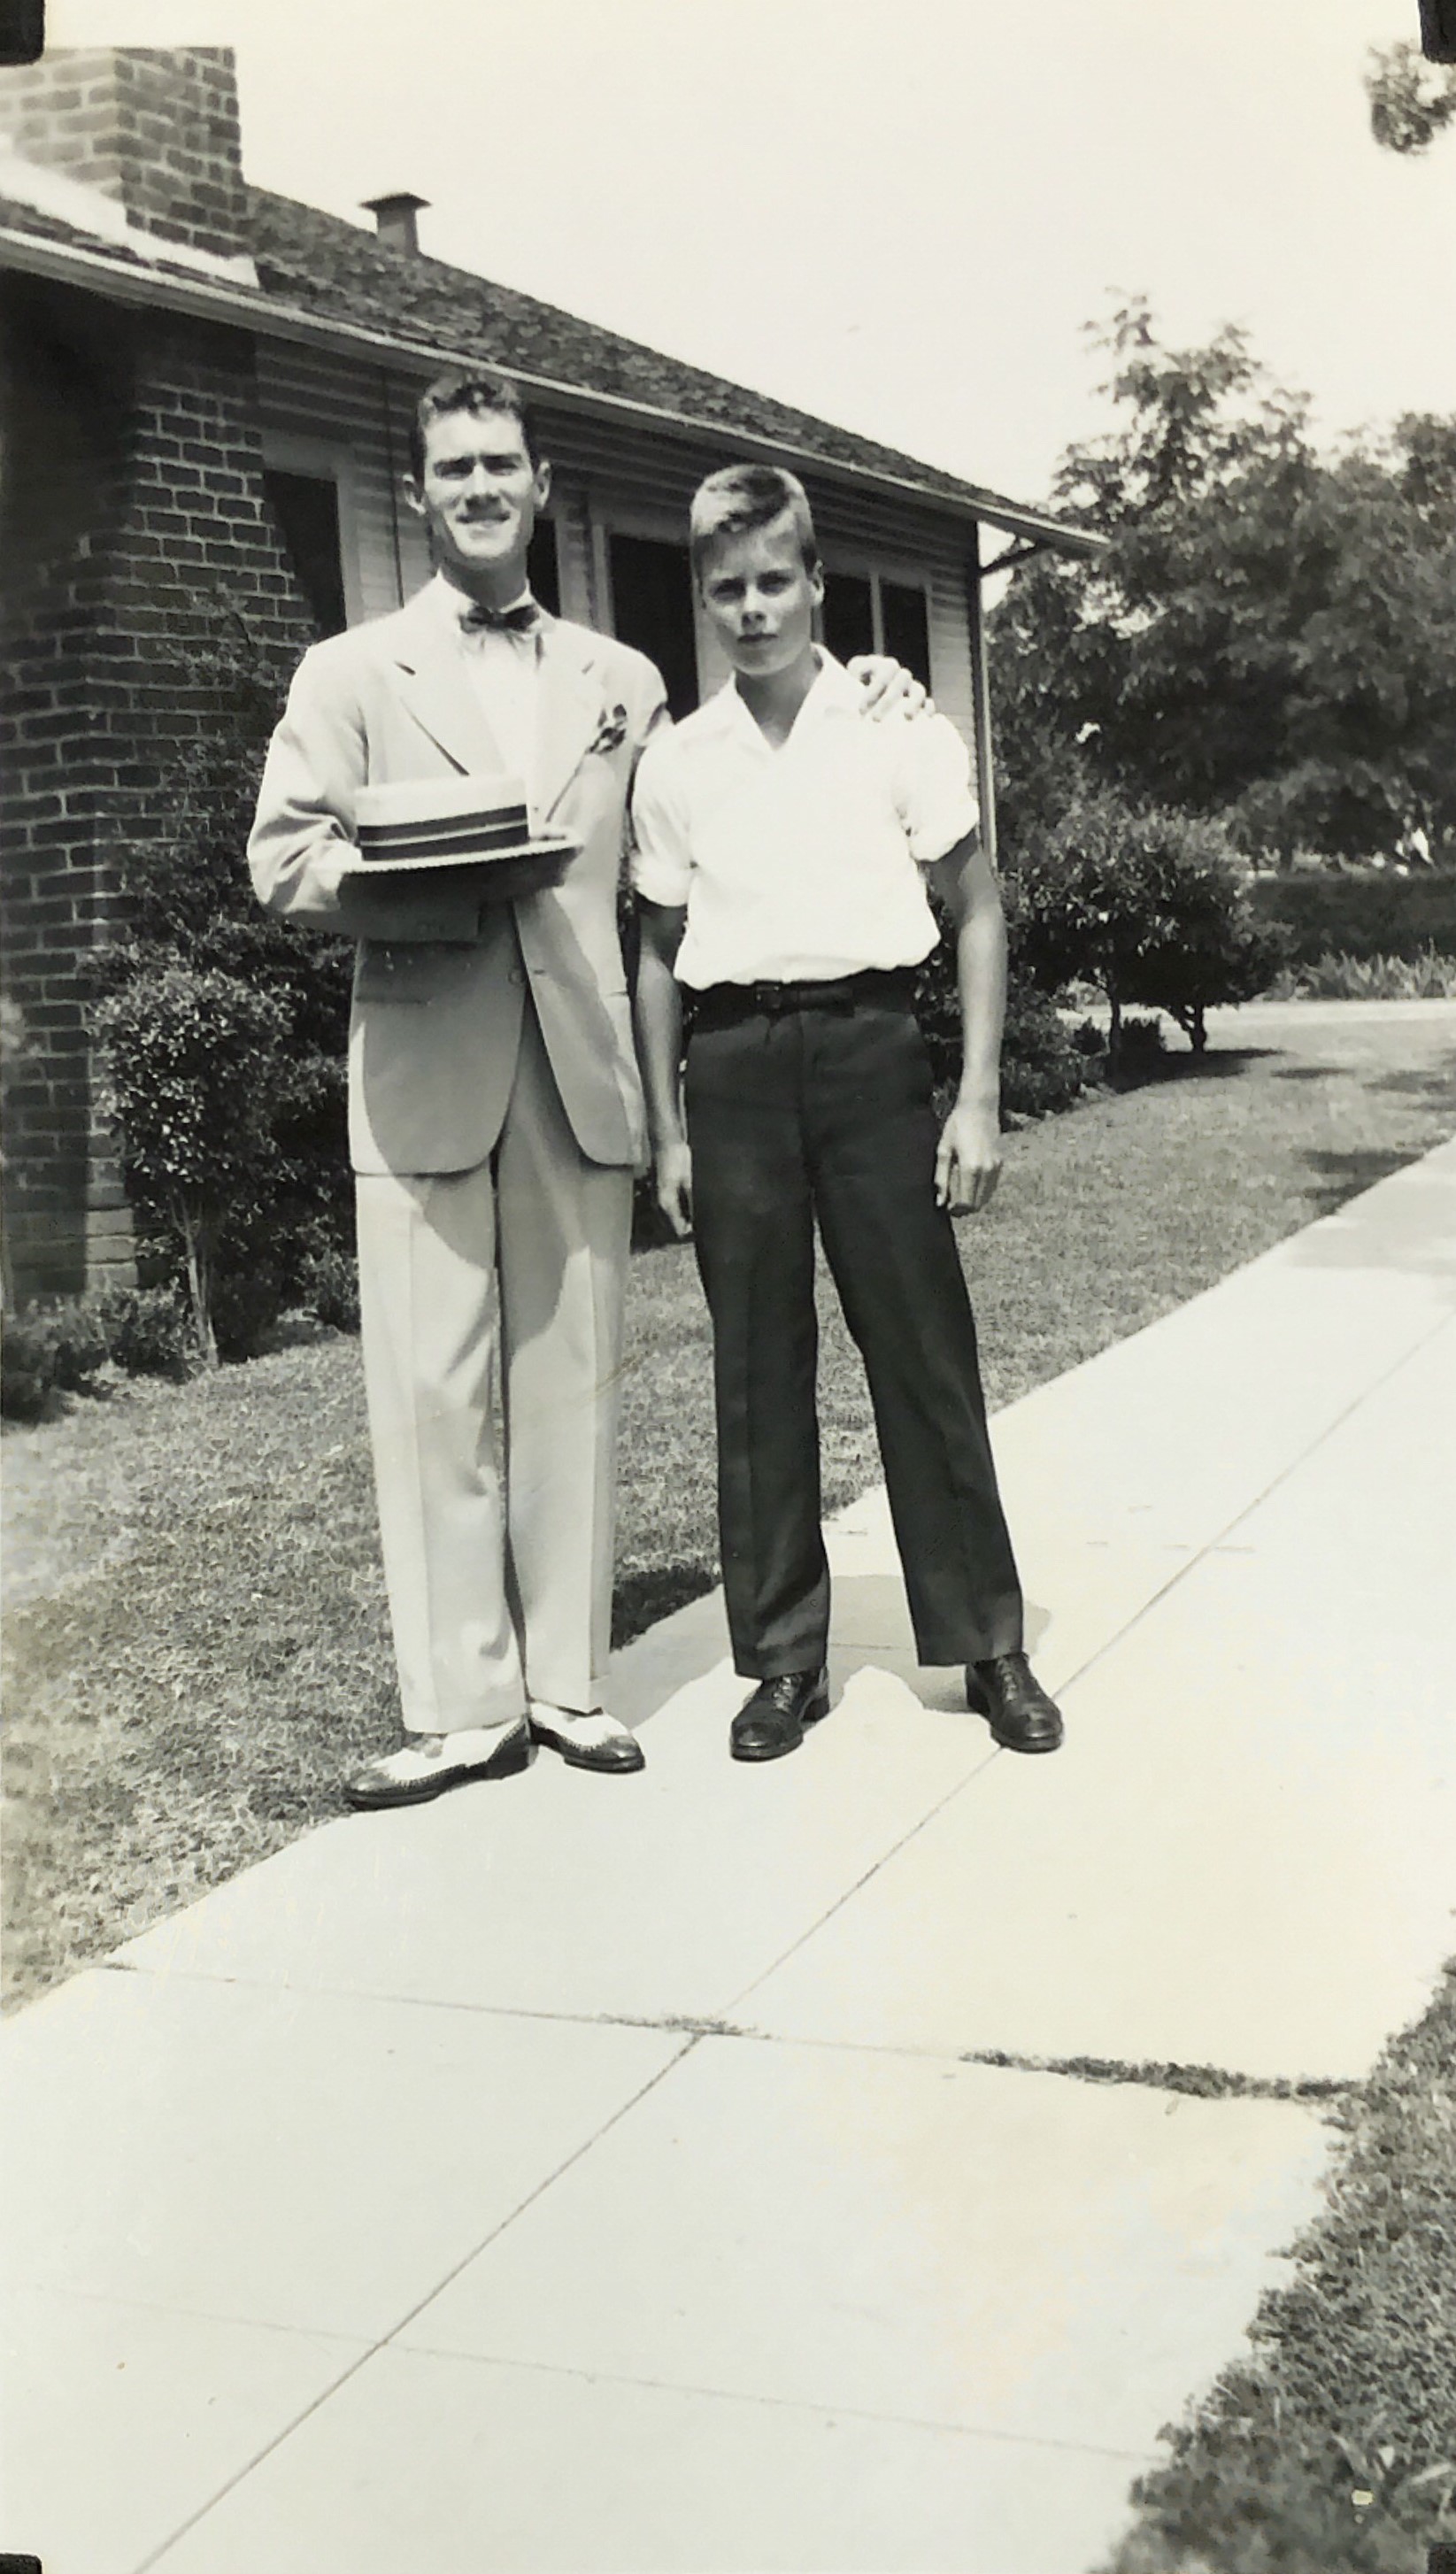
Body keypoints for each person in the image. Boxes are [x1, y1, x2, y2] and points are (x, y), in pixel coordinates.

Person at [249, 374, 923, 1807]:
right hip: (428, 1065)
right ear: (419, 494)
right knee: (434, 1395)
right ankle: (460, 1708)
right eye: (453, 469)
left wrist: (880, 678)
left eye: (501, 465)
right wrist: (414, 881)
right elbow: (283, 859)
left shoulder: (624, 684)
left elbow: (711, 832)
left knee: (571, 1386)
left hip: (582, 1071)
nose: (479, 488)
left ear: (542, 488)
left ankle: (564, 1687)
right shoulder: (351, 672)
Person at [631, 463, 1064, 1764]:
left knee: (921, 1350)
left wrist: (976, 1095)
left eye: (774, 582)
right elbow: (654, 951)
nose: (753, 609)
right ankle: (779, 1662)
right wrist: (668, 1129)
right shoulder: (678, 761)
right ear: (702, 602)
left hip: (875, 1051)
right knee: (756, 1368)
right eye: (727, 591)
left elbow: (975, 907)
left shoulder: (896, 727)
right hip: (735, 1066)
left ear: (815, 583)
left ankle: (987, 1643)